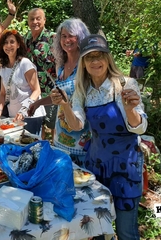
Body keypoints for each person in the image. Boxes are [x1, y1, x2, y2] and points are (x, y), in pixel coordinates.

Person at [51, 34, 147, 240]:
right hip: (96, 165)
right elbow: (76, 124)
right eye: (89, 57)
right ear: (83, 62)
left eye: (100, 55)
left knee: (126, 232)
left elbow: (140, 128)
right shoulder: (83, 90)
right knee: (96, 229)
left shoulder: (125, 84)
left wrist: (131, 109)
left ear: (108, 58)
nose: (95, 61)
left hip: (125, 168)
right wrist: (64, 104)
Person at [28, 18, 91, 165]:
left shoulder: (87, 64)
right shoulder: (61, 65)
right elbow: (60, 97)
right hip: (61, 135)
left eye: (71, 35)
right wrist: (38, 103)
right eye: (63, 36)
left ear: (80, 37)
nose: (67, 40)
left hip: (81, 135)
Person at [0, 30, 45, 135]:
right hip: (13, 116)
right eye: (5, 43)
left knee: (30, 147)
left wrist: (24, 109)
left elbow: (37, 91)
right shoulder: (4, 68)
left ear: (18, 44)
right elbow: (2, 93)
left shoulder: (25, 63)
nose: (8, 45)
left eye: (12, 42)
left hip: (30, 115)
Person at [24, 8, 57, 139]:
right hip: (32, 90)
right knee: (37, 123)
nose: (35, 22)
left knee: (53, 125)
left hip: (50, 89)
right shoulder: (25, 39)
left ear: (44, 20)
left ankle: (54, 150)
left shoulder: (53, 38)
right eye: (32, 19)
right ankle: (39, 147)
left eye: (38, 18)